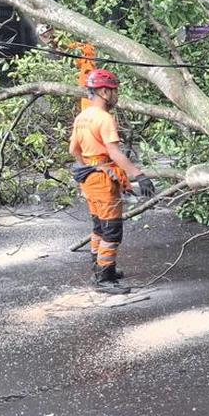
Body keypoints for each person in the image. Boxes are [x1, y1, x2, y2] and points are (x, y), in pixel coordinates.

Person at [69, 69, 156, 294]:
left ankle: (101, 269)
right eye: (114, 90)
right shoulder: (104, 118)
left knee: (99, 226)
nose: (116, 95)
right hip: (102, 180)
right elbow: (115, 153)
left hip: (87, 177)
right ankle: (104, 280)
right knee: (111, 230)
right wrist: (139, 175)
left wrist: (87, 166)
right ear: (105, 92)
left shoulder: (82, 116)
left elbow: (73, 150)